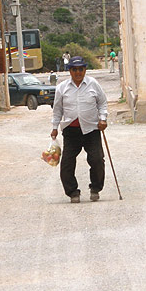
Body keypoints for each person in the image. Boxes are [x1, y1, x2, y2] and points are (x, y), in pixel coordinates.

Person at [51, 56, 108, 203]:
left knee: (97, 160)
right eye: (74, 69)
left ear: (85, 70)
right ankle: (72, 192)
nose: (78, 72)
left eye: (81, 69)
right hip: (71, 131)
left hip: (91, 129)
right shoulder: (62, 88)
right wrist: (54, 127)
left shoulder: (93, 84)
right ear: (69, 71)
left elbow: (102, 103)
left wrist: (103, 119)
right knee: (67, 163)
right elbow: (57, 110)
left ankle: (95, 188)